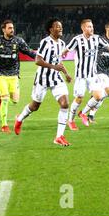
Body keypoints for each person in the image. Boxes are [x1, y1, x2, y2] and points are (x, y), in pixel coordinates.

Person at [14, 18, 73, 146]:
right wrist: (54, 67)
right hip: (42, 79)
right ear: (51, 29)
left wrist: (66, 73)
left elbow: (58, 61)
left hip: (56, 78)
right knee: (35, 106)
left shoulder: (62, 43)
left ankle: (59, 136)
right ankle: (19, 119)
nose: (60, 28)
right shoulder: (45, 42)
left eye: (61, 26)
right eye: (58, 26)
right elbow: (37, 60)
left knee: (65, 104)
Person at [62, 19, 109, 130]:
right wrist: (61, 56)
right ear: (83, 28)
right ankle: (71, 120)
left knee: (98, 96)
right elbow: (66, 50)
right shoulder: (77, 40)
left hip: (92, 75)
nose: (91, 28)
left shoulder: (97, 38)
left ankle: (83, 113)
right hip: (81, 76)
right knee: (79, 98)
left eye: (92, 26)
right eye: (88, 27)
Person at [0, 19, 36, 133]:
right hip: (0, 73)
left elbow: (29, 51)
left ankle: (1, 100)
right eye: (9, 28)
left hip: (14, 74)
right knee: (6, 99)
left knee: (15, 101)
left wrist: (40, 58)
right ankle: (4, 125)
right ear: (3, 29)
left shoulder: (18, 41)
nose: (12, 30)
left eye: (12, 28)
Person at [86, 21, 109, 123]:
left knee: (102, 95)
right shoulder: (100, 40)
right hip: (98, 70)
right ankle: (85, 111)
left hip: (108, 71)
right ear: (107, 29)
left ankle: (91, 113)